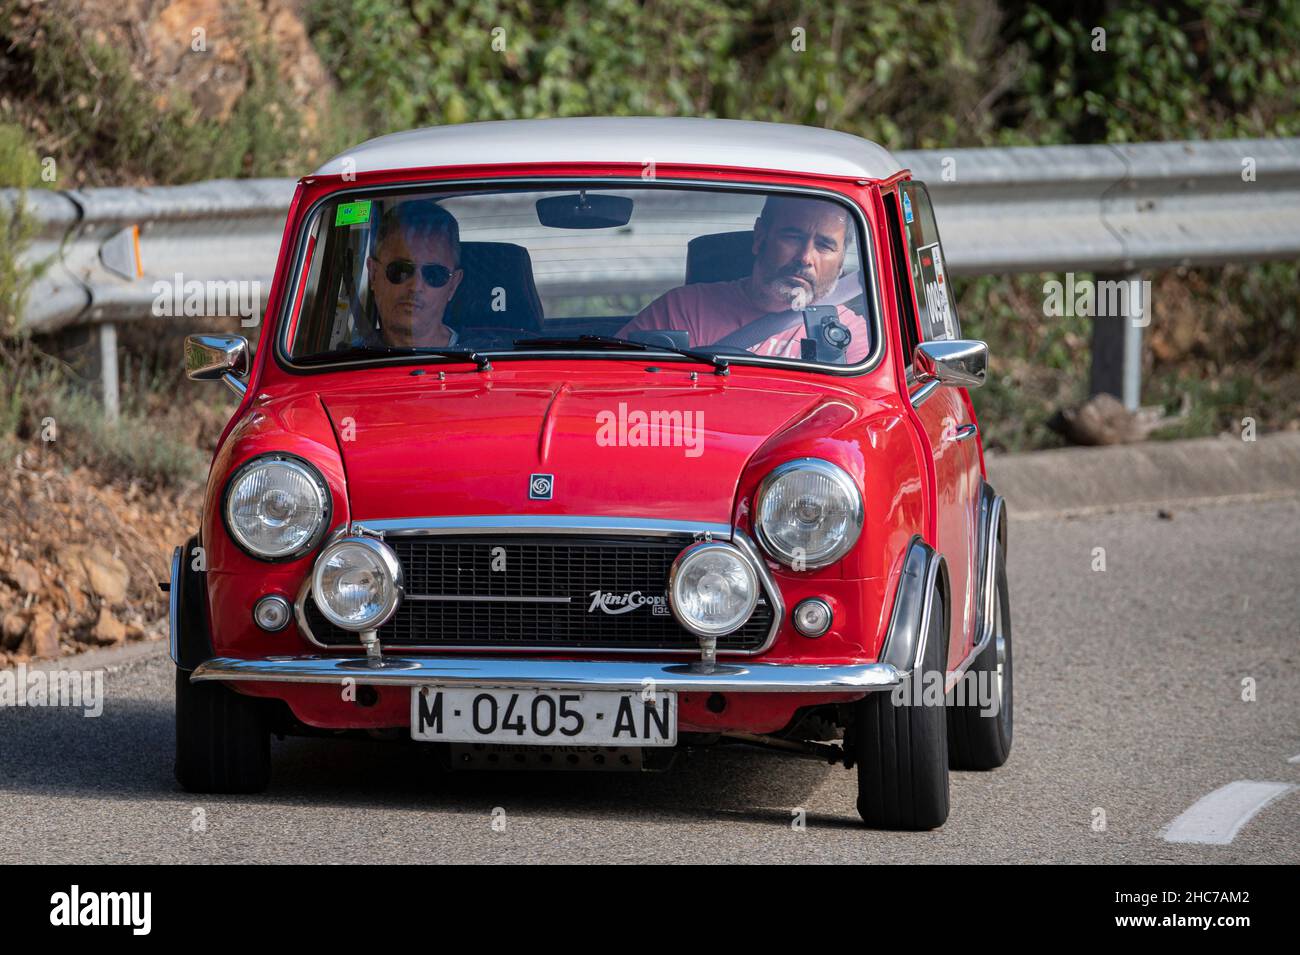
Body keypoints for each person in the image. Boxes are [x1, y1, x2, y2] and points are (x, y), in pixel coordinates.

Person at [619, 195, 869, 362]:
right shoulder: (683, 310)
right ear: (760, 236)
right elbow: (619, 383)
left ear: (841, 262)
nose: (805, 257)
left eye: (824, 246)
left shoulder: (850, 336)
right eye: (792, 237)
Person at [363, 200, 464, 347]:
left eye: (434, 274)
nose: (415, 286)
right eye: (401, 270)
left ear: (453, 285)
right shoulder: (341, 363)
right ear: (373, 274)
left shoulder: (490, 359)